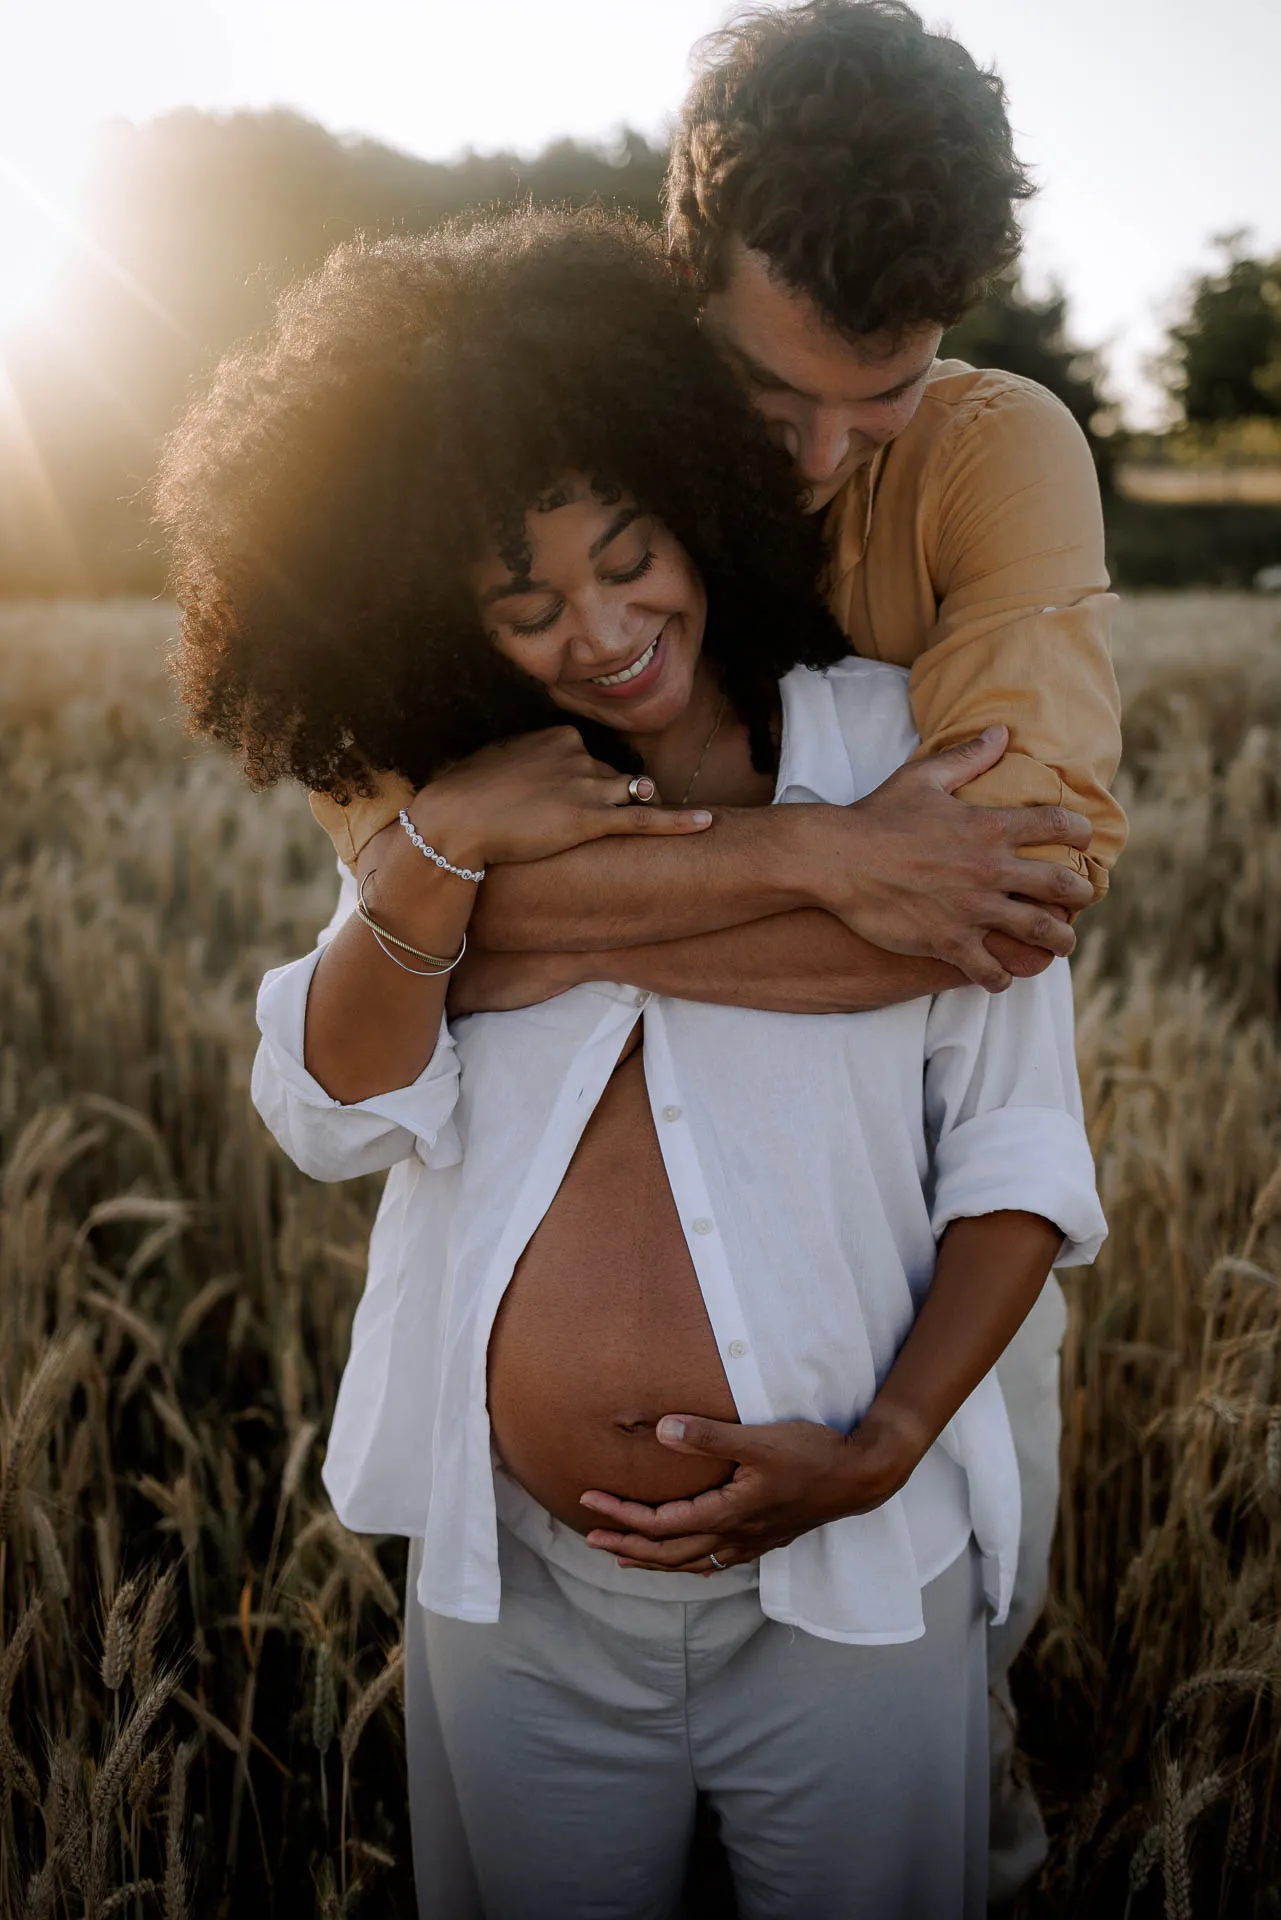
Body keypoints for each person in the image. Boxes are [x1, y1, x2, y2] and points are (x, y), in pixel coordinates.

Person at [155, 209, 1107, 1919]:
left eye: (628, 553)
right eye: (526, 608)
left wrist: (888, 1443)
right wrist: (446, 850)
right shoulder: (462, 805)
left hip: (852, 1573)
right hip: (519, 1596)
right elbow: (326, 1106)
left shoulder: (895, 749)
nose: (602, 630)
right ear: (441, 625)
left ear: (696, 500)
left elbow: (1021, 1158)